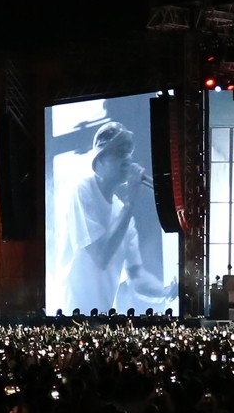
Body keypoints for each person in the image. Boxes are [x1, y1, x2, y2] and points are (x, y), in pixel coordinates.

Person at [56, 121, 170, 313]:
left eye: (128, 153)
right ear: (98, 162)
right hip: (73, 315)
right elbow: (101, 257)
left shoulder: (122, 213)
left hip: (103, 314)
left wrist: (165, 290)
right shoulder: (83, 191)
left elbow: (137, 276)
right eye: (118, 152)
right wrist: (131, 202)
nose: (126, 159)